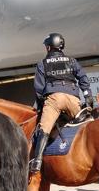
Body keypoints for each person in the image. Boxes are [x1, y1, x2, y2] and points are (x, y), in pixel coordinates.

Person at [29, 33, 93, 173]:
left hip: (54, 99)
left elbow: (39, 89)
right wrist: (87, 95)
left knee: (44, 129)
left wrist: (42, 107)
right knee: (89, 125)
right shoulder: (72, 60)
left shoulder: (42, 64)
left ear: (49, 47)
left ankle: (37, 161)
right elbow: (83, 77)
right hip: (73, 99)